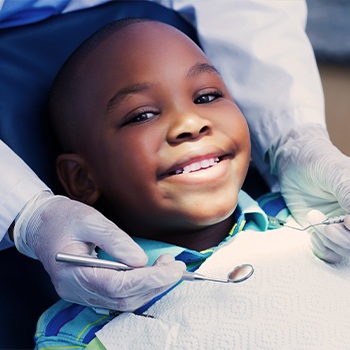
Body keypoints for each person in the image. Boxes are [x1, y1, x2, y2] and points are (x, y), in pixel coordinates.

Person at [1, 0, 350, 317]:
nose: (190, 124)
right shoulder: (78, 332)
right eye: (141, 116)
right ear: (82, 178)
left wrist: (293, 138)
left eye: (208, 96)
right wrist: (27, 213)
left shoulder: (321, 232)